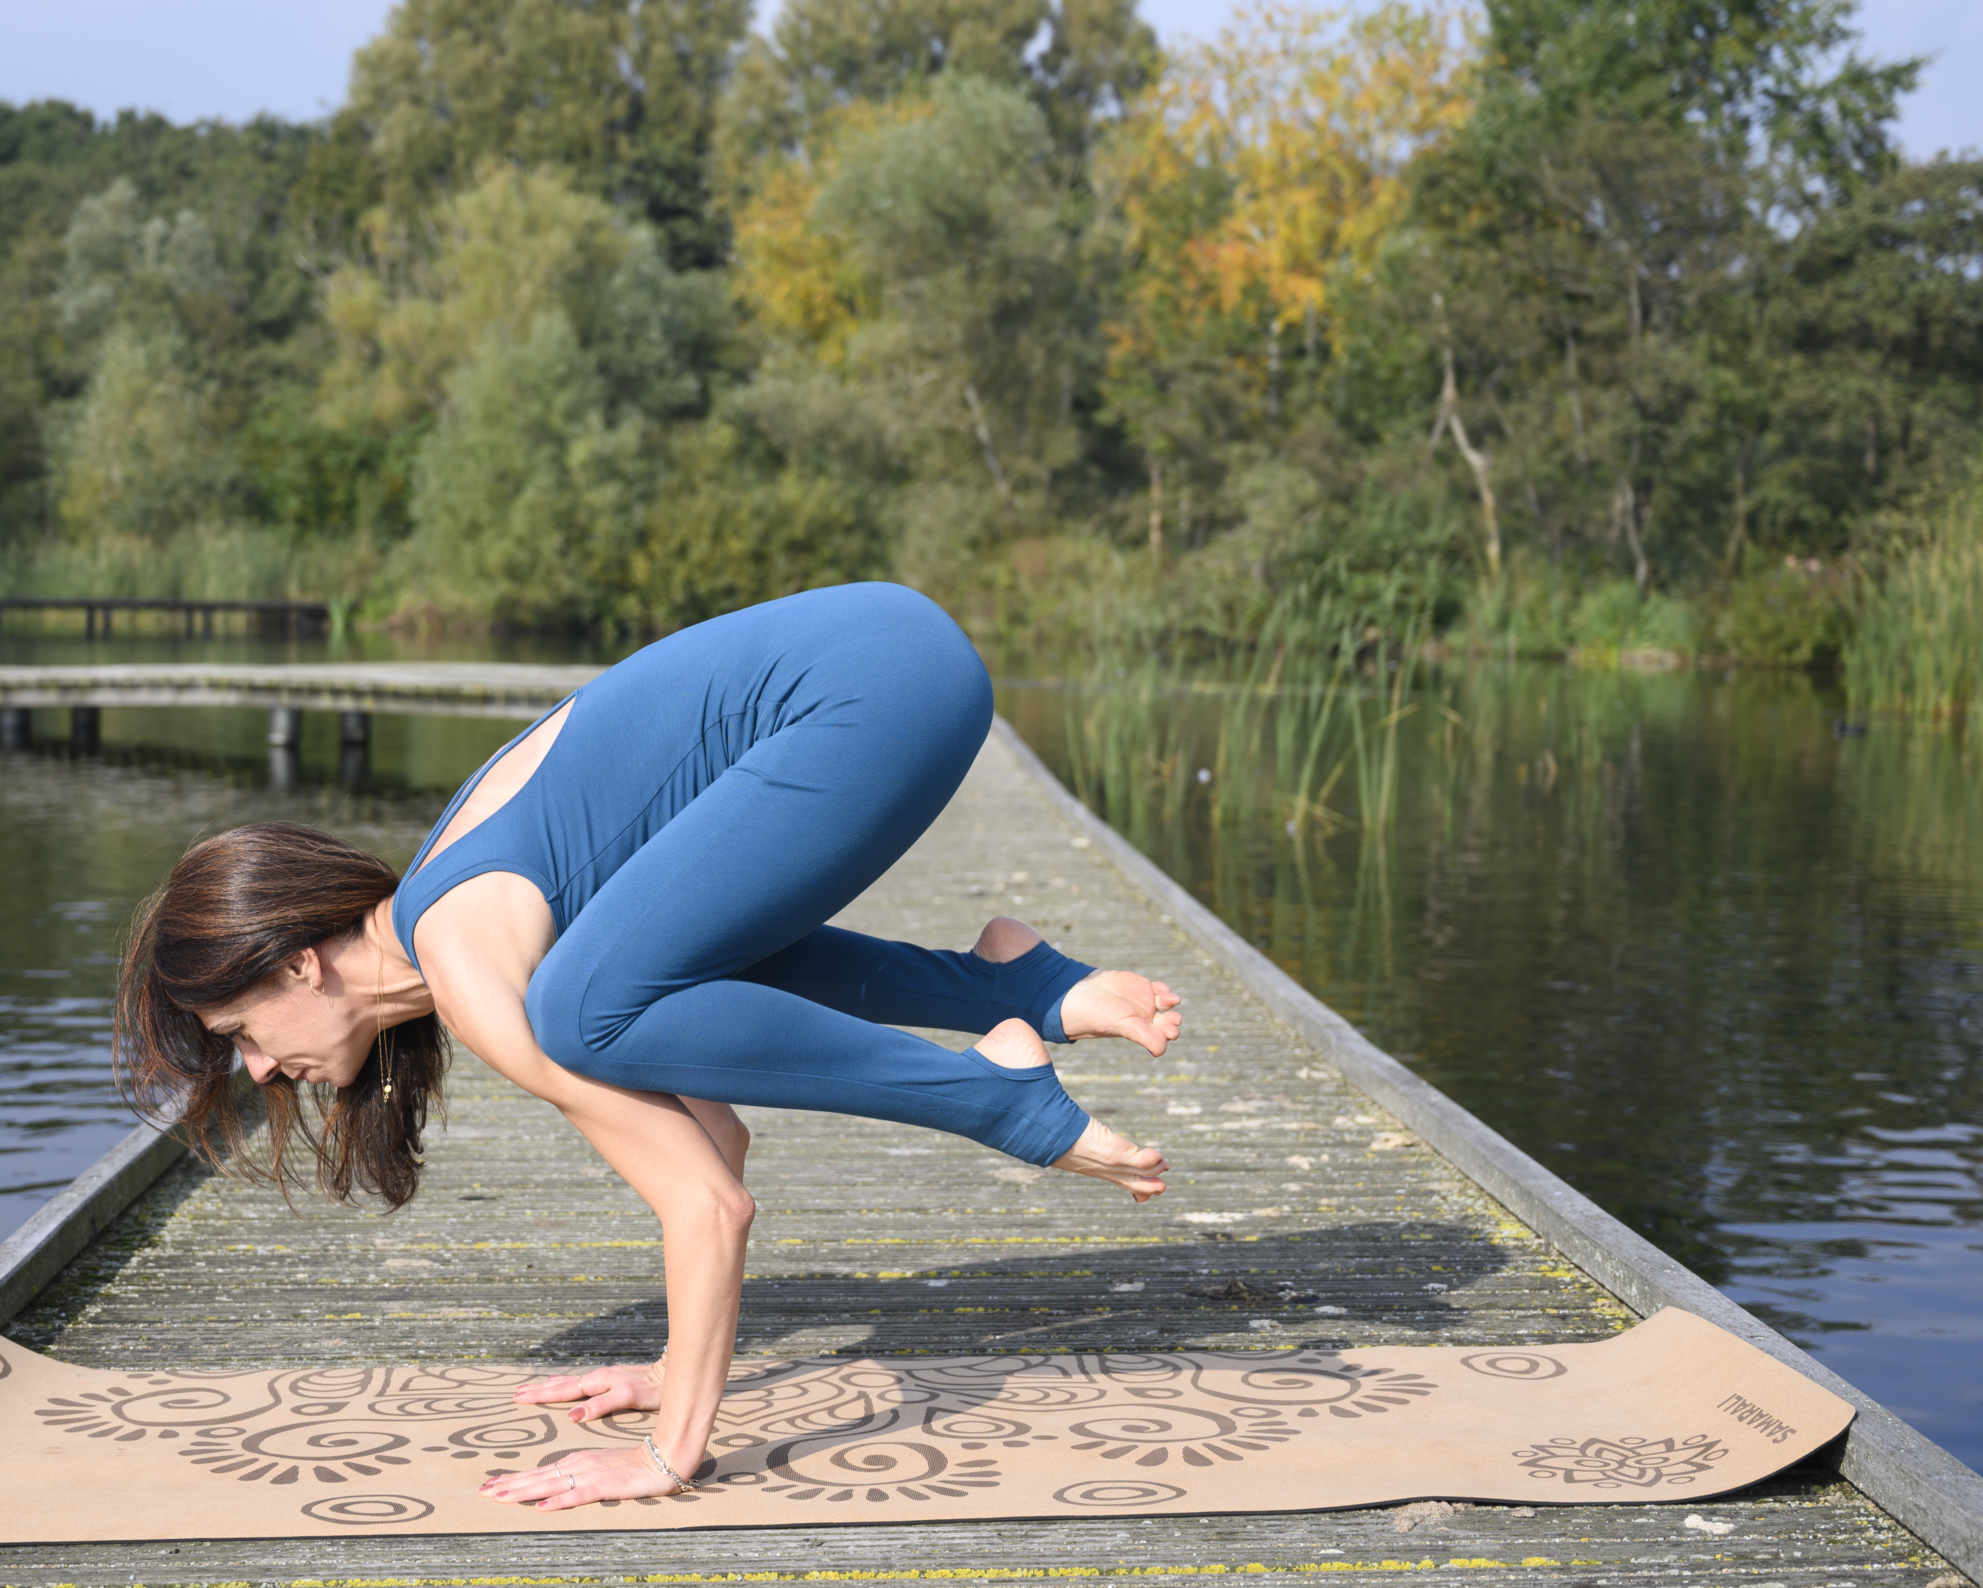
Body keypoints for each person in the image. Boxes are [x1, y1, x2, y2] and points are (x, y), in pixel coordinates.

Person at [117, 583, 1185, 1514]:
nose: (258, 1071)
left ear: (300, 964)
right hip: (891, 656)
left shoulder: (474, 969)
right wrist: (677, 1360)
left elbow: (706, 1202)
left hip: (875, 687)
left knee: (585, 1009)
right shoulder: (457, 910)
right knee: (623, 982)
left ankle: (997, 1089)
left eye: (240, 1033)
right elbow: (713, 1129)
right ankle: (1010, 982)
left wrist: (668, 1450)